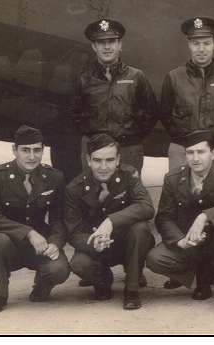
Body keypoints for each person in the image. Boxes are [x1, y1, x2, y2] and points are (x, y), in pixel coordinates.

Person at [158, 16, 214, 289]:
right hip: (183, 148)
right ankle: (179, 266)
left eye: (206, 42)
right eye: (196, 43)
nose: (201, 48)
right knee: (179, 203)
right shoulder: (174, 77)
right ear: (188, 45)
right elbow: (166, 113)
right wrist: (183, 144)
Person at [146, 130, 214, 314]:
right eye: (190, 153)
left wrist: (205, 216)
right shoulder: (174, 178)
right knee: (155, 259)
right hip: (192, 242)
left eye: (201, 152)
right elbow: (164, 216)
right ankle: (200, 274)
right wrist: (180, 241)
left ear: (213, 153)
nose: (195, 158)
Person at [0, 125, 70, 313]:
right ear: (15, 150)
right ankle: (0, 294)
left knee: (59, 269)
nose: (32, 156)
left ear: (43, 150)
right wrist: (28, 233)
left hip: (38, 245)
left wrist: (55, 242)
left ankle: (41, 287)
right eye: (25, 150)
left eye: (37, 150)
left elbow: (58, 218)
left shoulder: (54, 177)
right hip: (7, 242)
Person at [65, 133, 155, 310]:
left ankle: (132, 287)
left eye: (110, 160)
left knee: (141, 229)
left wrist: (110, 221)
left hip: (126, 242)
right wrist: (94, 243)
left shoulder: (129, 176)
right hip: (96, 245)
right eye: (97, 160)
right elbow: (73, 232)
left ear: (118, 159)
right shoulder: (74, 188)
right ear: (88, 160)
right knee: (79, 263)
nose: (104, 167)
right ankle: (103, 281)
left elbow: (146, 207)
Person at [71, 18, 158, 174]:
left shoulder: (136, 76)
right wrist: (92, 136)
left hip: (128, 150)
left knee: (129, 195)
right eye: (101, 42)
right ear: (94, 46)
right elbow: (74, 113)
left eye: (111, 41)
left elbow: (151, 112)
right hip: (95, 150)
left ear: (120, 45)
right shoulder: (84, 78)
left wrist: (132, 136)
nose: (107, 47)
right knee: (94, 195)